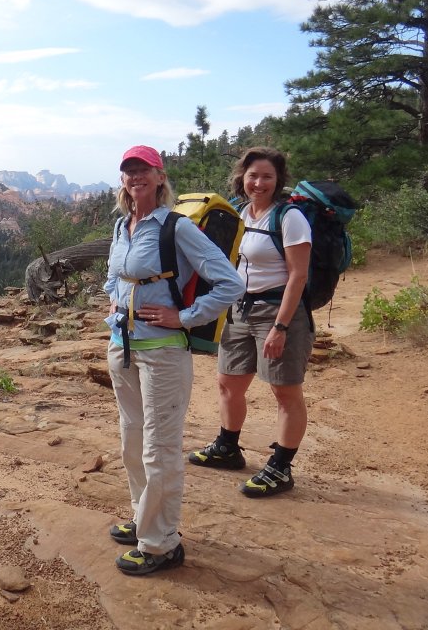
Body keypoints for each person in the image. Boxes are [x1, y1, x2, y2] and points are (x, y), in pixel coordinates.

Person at [104, 145, 243, 576]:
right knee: (131, 444)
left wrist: (183, 318)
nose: (135, 177)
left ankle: (162, 544)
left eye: (143, 170)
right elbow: (114, 276)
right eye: (129, 171)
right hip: (123, 347)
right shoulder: (121, 225)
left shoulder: (176, 227)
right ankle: (144, 518)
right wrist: (112, 304)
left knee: (158, 449)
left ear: (160, 177)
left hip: (163, 353)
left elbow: (230, 283)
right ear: (123, 180)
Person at [188, 147, 313, 498]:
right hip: (239, 309)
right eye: (253, 175)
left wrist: (282, 327)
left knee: (284, 391)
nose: (258, 183)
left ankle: (281, 467)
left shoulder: (289, 218)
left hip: (276, 312)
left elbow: (298, 276)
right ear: (242, 177)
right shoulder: (240, 212)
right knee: (228, 383)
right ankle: (228, 448)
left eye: (267, 177)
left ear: (278, 180)